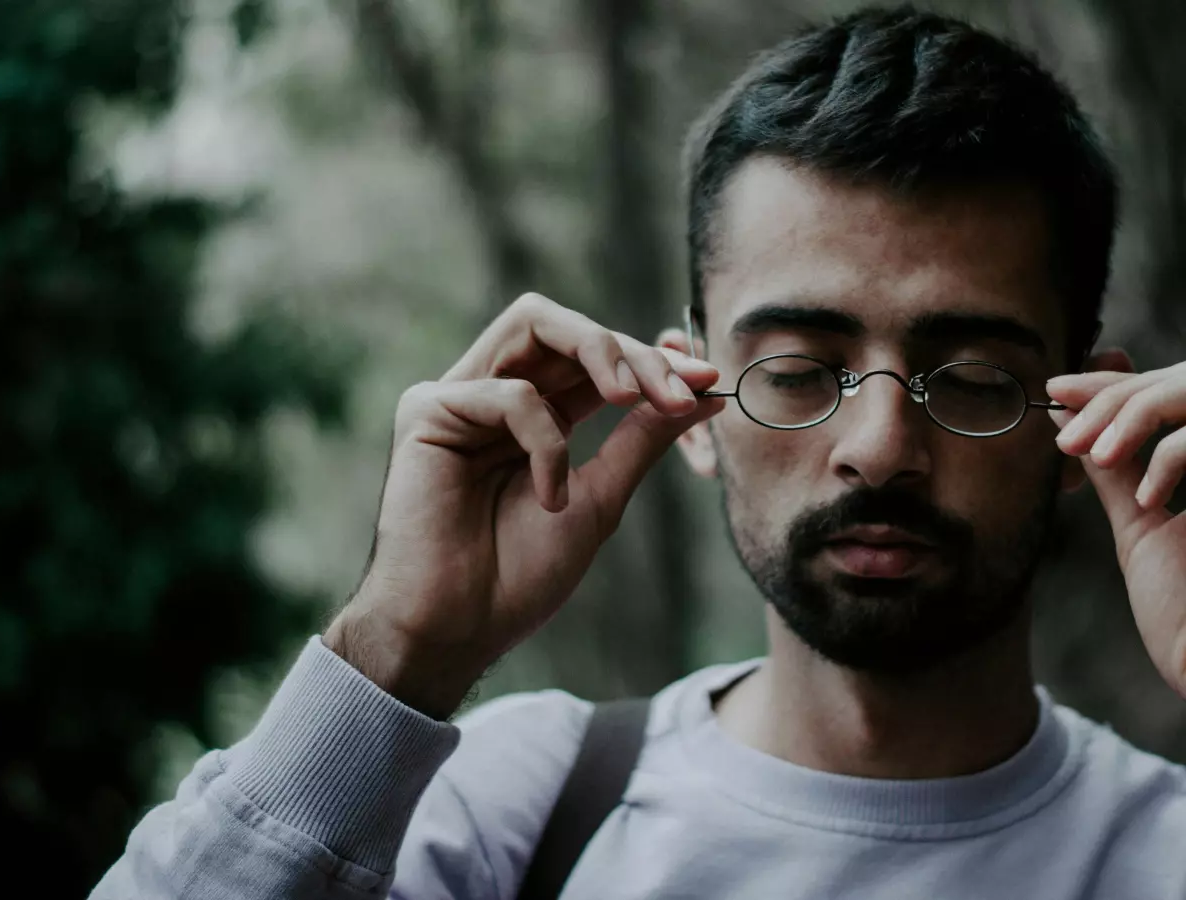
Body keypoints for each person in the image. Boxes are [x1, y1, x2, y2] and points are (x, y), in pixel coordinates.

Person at [92, 6, 1186, 899]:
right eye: (800, 369)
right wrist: (397, 649)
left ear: (1081, 419)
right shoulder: (502, 814)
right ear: (694, 401)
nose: (881, 447)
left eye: (975, 381)